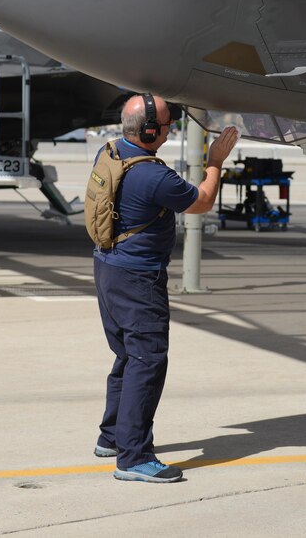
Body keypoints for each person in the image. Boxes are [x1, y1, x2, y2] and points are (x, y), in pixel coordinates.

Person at [92, 93, 238, 483]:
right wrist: (214, 163)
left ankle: (112, 436)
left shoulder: (109, 152)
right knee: (148, 360)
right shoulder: (153, 175)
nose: (171, 129)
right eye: (168, 124)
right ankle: (134, 457)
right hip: (138, 279)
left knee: (126, 355)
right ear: (150, 130)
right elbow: (203, 202)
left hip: (107, 267)